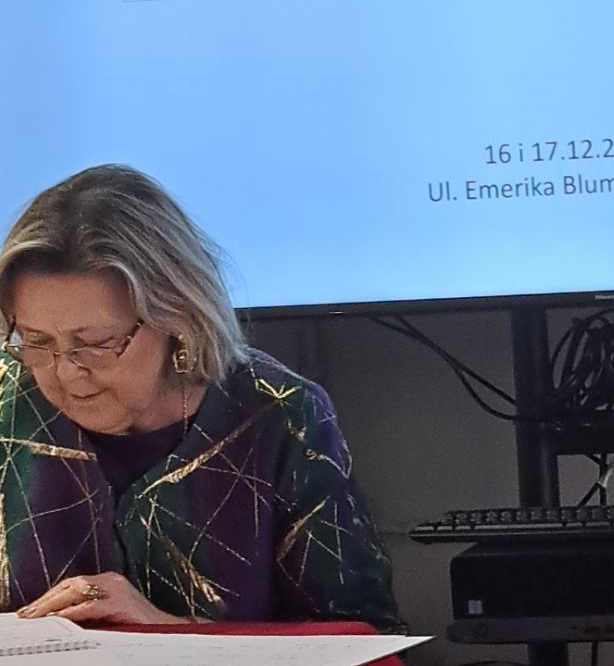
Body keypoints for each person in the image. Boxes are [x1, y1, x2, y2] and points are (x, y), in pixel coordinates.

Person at [0, 164, 400, 630]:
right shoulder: (8, 400)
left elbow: (364, 637)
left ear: (177, 316)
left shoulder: (280, 413)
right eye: (36, 341)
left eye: (97, 343)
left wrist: (172, 631)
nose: (66, 372)